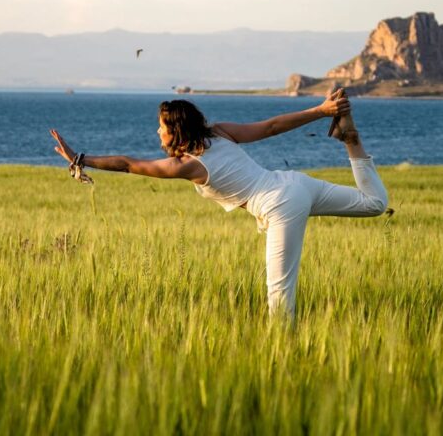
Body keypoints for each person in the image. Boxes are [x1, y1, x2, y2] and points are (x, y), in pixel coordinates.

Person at [49, 90, 389, 320]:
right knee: (374, 203)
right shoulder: (220, 132)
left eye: (161, 126)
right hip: (292, 183)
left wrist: (80, 158)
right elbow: (271, 127)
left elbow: (127, 163)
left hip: (279, 205)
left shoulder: (188, 165)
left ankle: (284, 358)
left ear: (176, 130)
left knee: (280, 294)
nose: (157, 131)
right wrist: (321, 111)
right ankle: (351, 139)